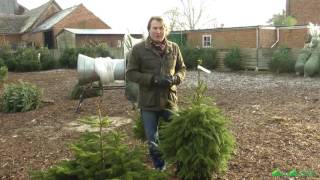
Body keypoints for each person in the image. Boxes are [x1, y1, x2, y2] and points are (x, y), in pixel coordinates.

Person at [126, 16, 186, 170]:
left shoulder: (174, 48)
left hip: (169, 100)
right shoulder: (138, 49)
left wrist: (175, 78)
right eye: (155, 28)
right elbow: (131, 74)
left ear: (166, 30)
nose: (158, 31)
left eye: (161, 28)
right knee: (152, 138)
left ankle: (179, 164)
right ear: (149, 29)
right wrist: (153, 80)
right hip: (149, 101)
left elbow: (182, 69)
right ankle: (160, 167)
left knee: (177, 134)